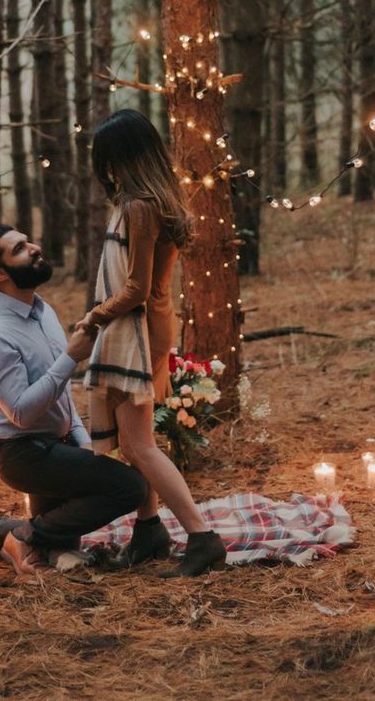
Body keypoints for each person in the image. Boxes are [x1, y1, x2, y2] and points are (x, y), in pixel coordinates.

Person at [0, 225, 148, 574]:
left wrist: (83, 442)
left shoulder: (42, 310)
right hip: (22, 453)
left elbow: (60, 396)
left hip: (58, 442)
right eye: (20, 248)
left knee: (59, 543)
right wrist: (71, 358)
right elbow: (21, 412)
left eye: (29, 241)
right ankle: (24, 535)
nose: (35, 248)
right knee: (131, 487)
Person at [78, 109, 226, 577]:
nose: (106, 170)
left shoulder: (141, 207)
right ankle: (149, 529)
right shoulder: (145, 201)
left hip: (138, 328)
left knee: (139, 445)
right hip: (143, 324)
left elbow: (137, 287)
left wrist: (93, 318)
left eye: (110, 159)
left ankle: (202, 537)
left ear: (127, 157)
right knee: (133, 439)